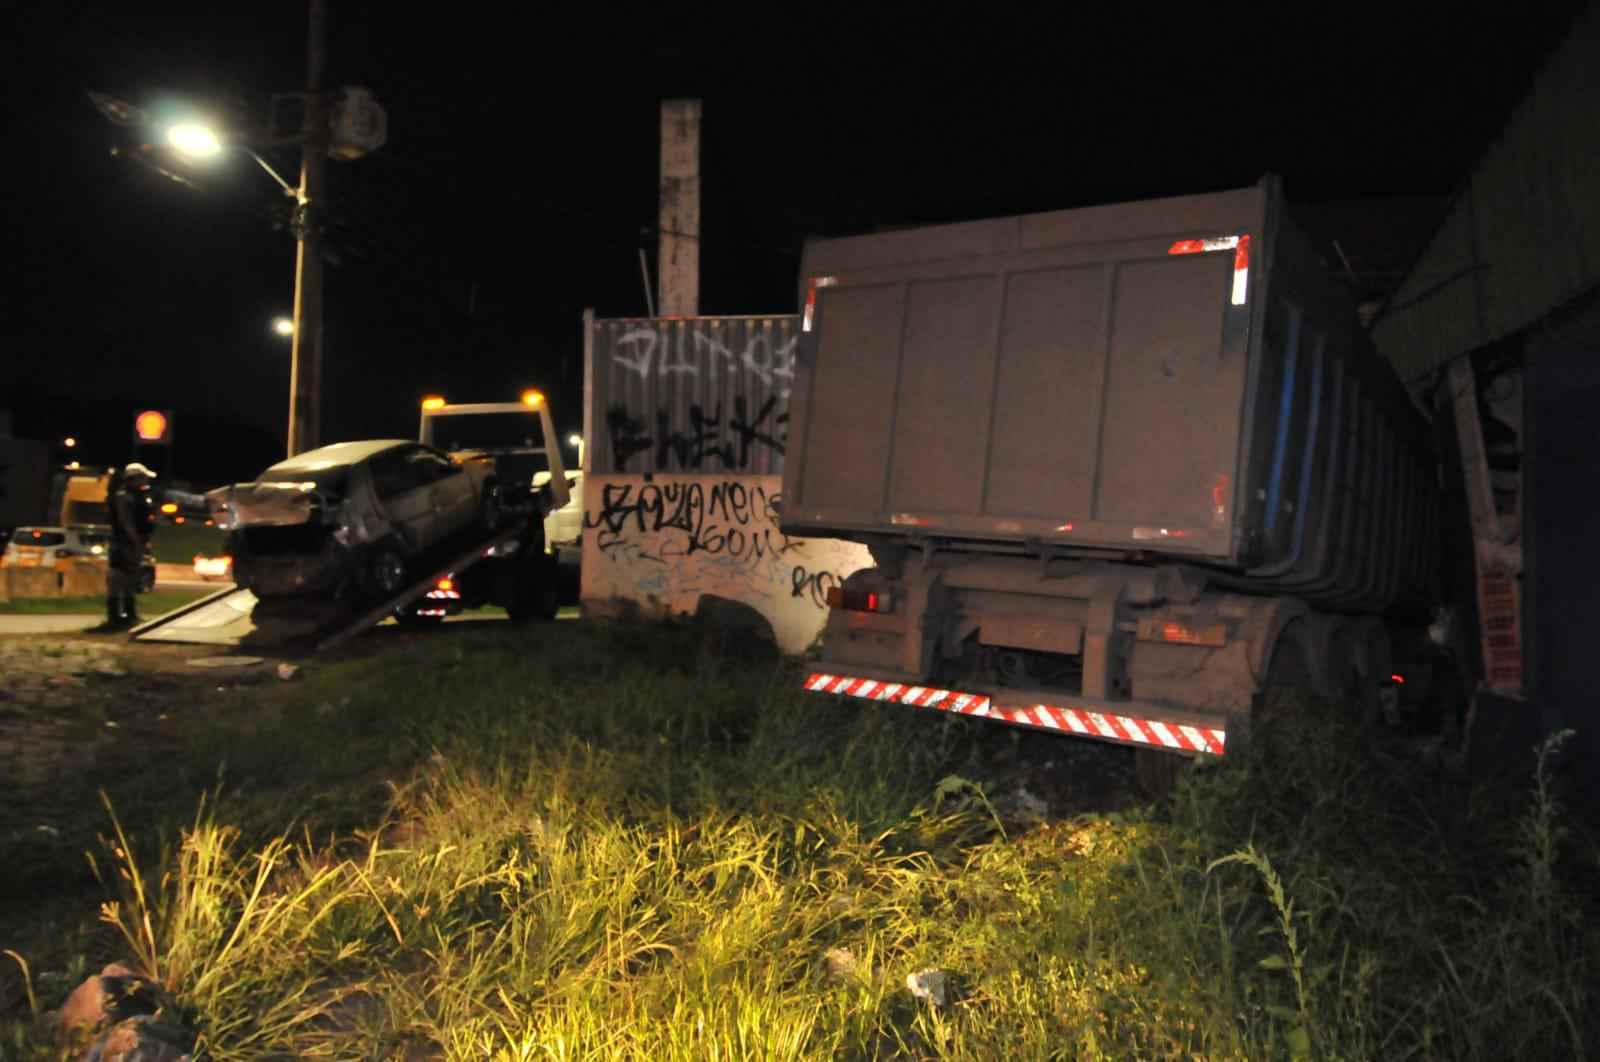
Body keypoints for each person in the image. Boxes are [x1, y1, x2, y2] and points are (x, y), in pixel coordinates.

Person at [98, 462, 157, 631]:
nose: (146, 480)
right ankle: (115, 616)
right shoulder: (124, 496)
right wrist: (135, 540)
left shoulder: (136, 496)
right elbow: (126, 522)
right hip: (124, 543)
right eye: (143, 477)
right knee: (118, 578)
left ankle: (129, 615)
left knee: (130, 578)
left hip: (132, 542)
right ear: (134, 478)